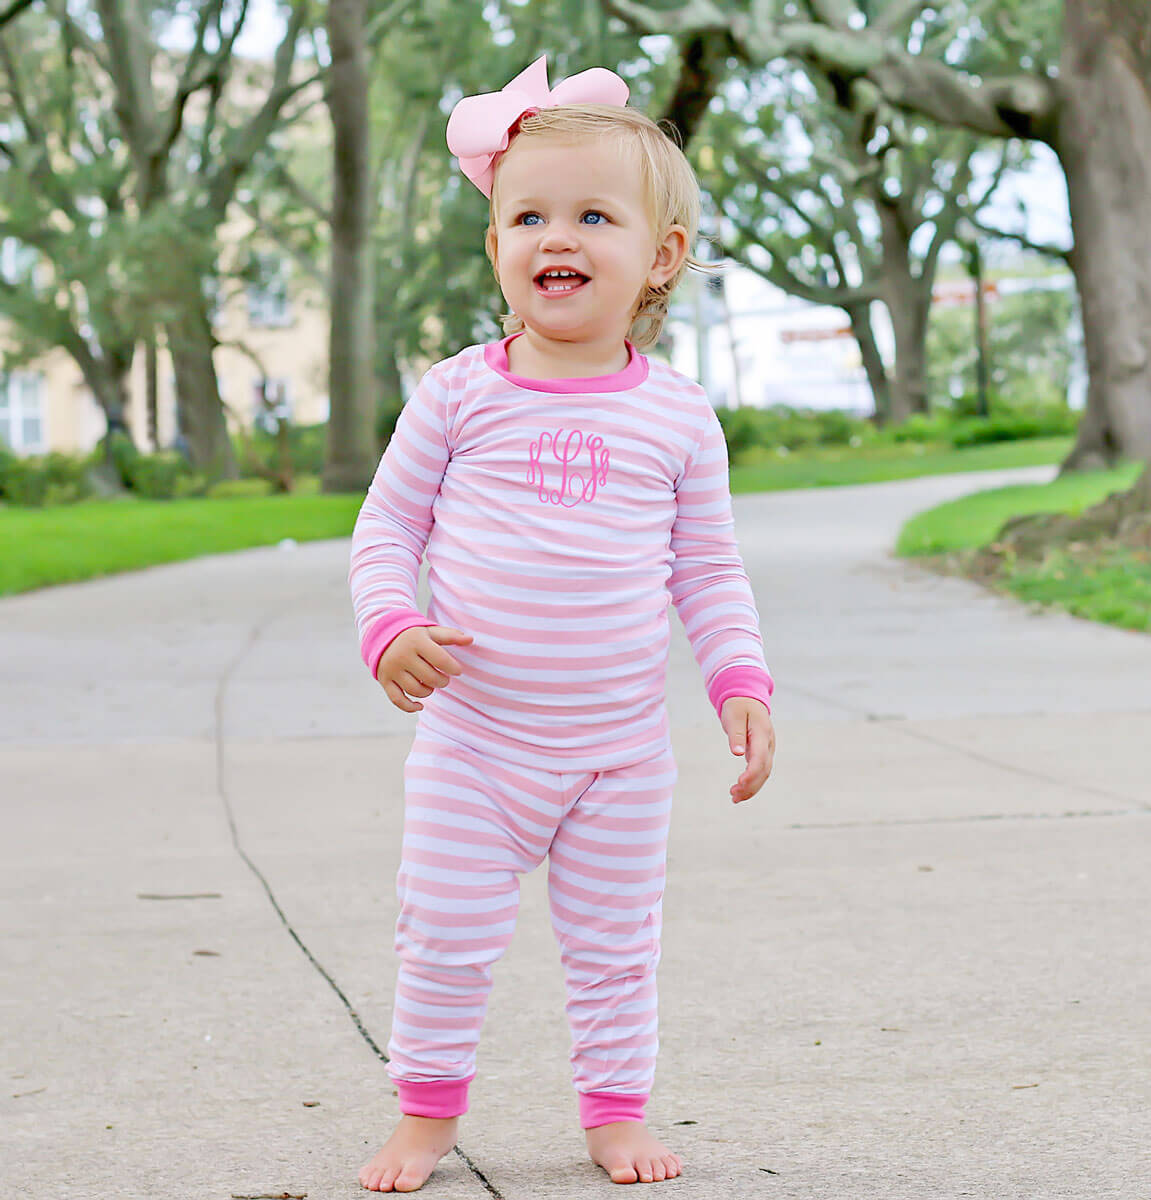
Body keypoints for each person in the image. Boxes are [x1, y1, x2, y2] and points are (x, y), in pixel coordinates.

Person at [350, 55, 776, 1193]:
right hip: (477, 744)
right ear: (495, 244)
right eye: (528, 214)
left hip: (619, 754)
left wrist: (740, 682)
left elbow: (709, 567)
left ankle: (614, 1113)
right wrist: (391, 627)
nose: (559, 237)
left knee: (615, 949)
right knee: (441, 939)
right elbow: (385, 527)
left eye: (595, 215)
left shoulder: (680, 419)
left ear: (660, 259)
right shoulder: (457, 395)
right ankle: (426, 1117)